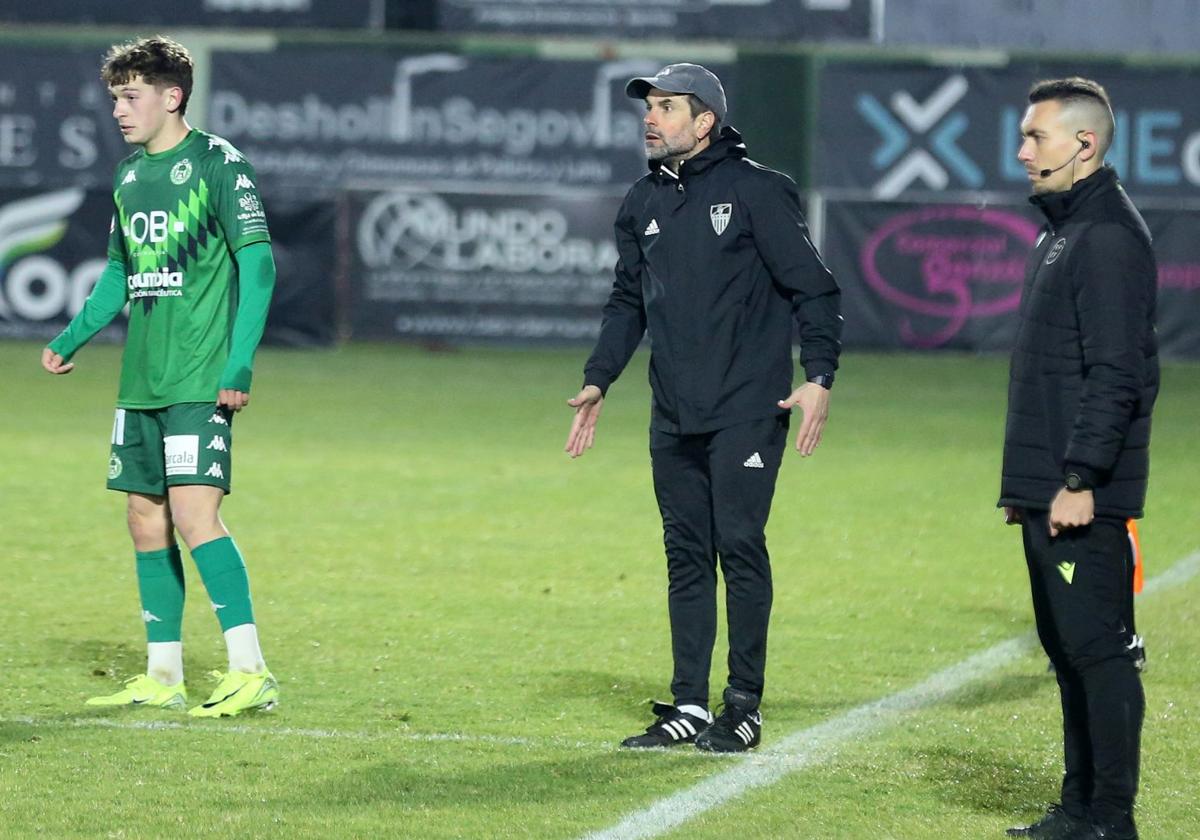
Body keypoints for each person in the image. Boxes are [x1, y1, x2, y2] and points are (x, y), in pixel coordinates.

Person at [564, 64, 842, 753]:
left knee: (738, 545)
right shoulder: (642, 203)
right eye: (648, 108)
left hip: (749, 405)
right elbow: (628, 301)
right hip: (674, 412)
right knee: (685, 552)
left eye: (666, 107)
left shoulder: (758, 192)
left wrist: (820, 374)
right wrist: (600, 377)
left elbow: (816, 289)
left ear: (705, 121)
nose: (651, 119)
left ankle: (741, 704)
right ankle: (688, 703)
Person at [42, 36, 279, 718]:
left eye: (130, 96)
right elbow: (120, 273)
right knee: (144, 518)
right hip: (141, 381)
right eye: (115, 97)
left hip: (200, 376)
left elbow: (257, 266)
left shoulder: (218, 163)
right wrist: (72, 336)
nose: (119, 109)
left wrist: (239, 363)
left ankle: (250, 669)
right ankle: (163, 674)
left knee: (195, 515)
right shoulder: (127, 176)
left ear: (171, 96)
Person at [1001, 77, 1157, 840]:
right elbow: (1048, 377)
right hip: (1048, 489)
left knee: (1098, 654)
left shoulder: (1106, 238)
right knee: (1068, 653)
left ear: (1083, 145)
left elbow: (1117, 375)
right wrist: (1027, 485)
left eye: (1036, 137)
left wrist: (1078, 479)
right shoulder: (1061, 231)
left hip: (1083, 497)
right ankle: (1078, 810)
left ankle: (1110, 820)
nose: (1022, 150)